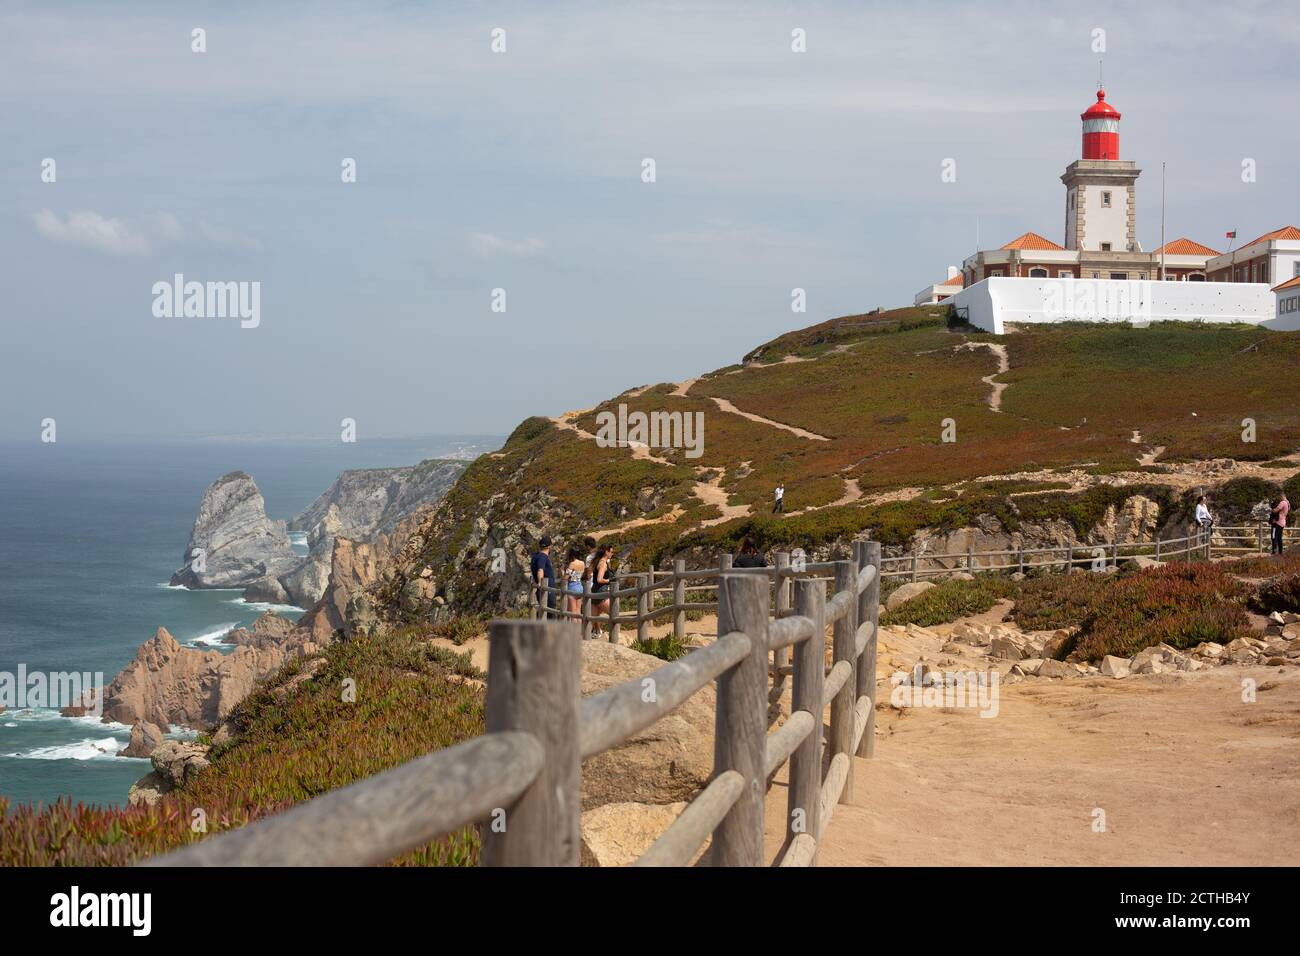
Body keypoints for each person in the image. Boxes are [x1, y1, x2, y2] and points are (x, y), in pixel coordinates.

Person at [589, 543, 614, 632]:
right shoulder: (603, 563)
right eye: (611, 552)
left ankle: (582, 637)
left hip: (594, 592)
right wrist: (609, 580)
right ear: (606, 552)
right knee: (614, 613)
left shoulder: (598, 561)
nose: (612, 554)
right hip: (602, 593)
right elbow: (599, 579)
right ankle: (614, 636)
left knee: (590, 621)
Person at [529, 535, 556, 616]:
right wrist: (541, 583)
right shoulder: (543, 557)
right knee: (550, 613)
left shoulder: (535, 556)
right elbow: (540, 569)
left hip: (543, 589)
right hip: (547, 589)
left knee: (543, 612)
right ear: (549, 546)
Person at [563, 546, 587, 617]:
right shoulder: (582, 563)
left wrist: (562, 572)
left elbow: (565, 578)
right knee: (578, 612)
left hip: (572, 587)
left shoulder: (572, 564)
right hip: (580, 587)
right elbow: (581, 575)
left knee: (573, 613)